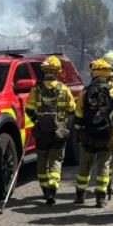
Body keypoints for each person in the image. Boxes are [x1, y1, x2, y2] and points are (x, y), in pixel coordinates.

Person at [25, 55, 76, 205]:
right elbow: (72, 109)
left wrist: (37, 120)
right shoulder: (64, 89)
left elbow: (29, 109)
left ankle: (45, 190)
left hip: (41, 131)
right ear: (58, 72)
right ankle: (53, 189)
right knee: (56, 161)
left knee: (42, 160)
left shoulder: (37, 89)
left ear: (44, 71)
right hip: (58, 132)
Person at [73, 58, 113, 207]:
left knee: (84, 166)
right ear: (108, 72)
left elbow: (79, 113)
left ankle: (80, 195)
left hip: (88, 135)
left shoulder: (85, 92)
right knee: (104, 166)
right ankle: (101, 198)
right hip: (107, 135)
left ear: (93, 73)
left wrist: (79, 132)